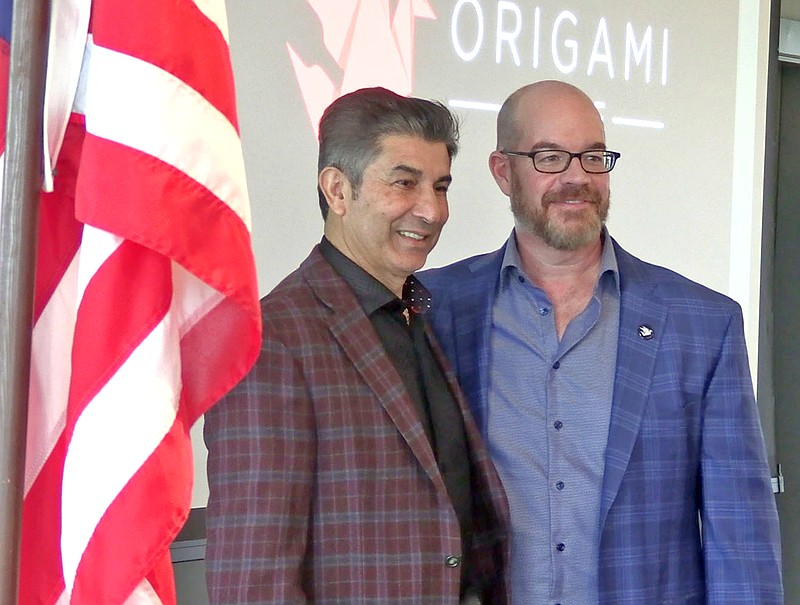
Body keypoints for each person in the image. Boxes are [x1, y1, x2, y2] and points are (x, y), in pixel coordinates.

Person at [421, 80, 783, 604]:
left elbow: (741, 537)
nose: (577, 177)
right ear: (503, 171)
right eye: (549, 157)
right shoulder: (435, 309)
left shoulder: (703, 323)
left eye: (593, 156)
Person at [204, 87, 508, 604]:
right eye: (404, 184)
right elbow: (253, 581)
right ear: (338, 191)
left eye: (440, 186)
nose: (431, 210)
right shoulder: (271, 341)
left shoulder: (421, 315)